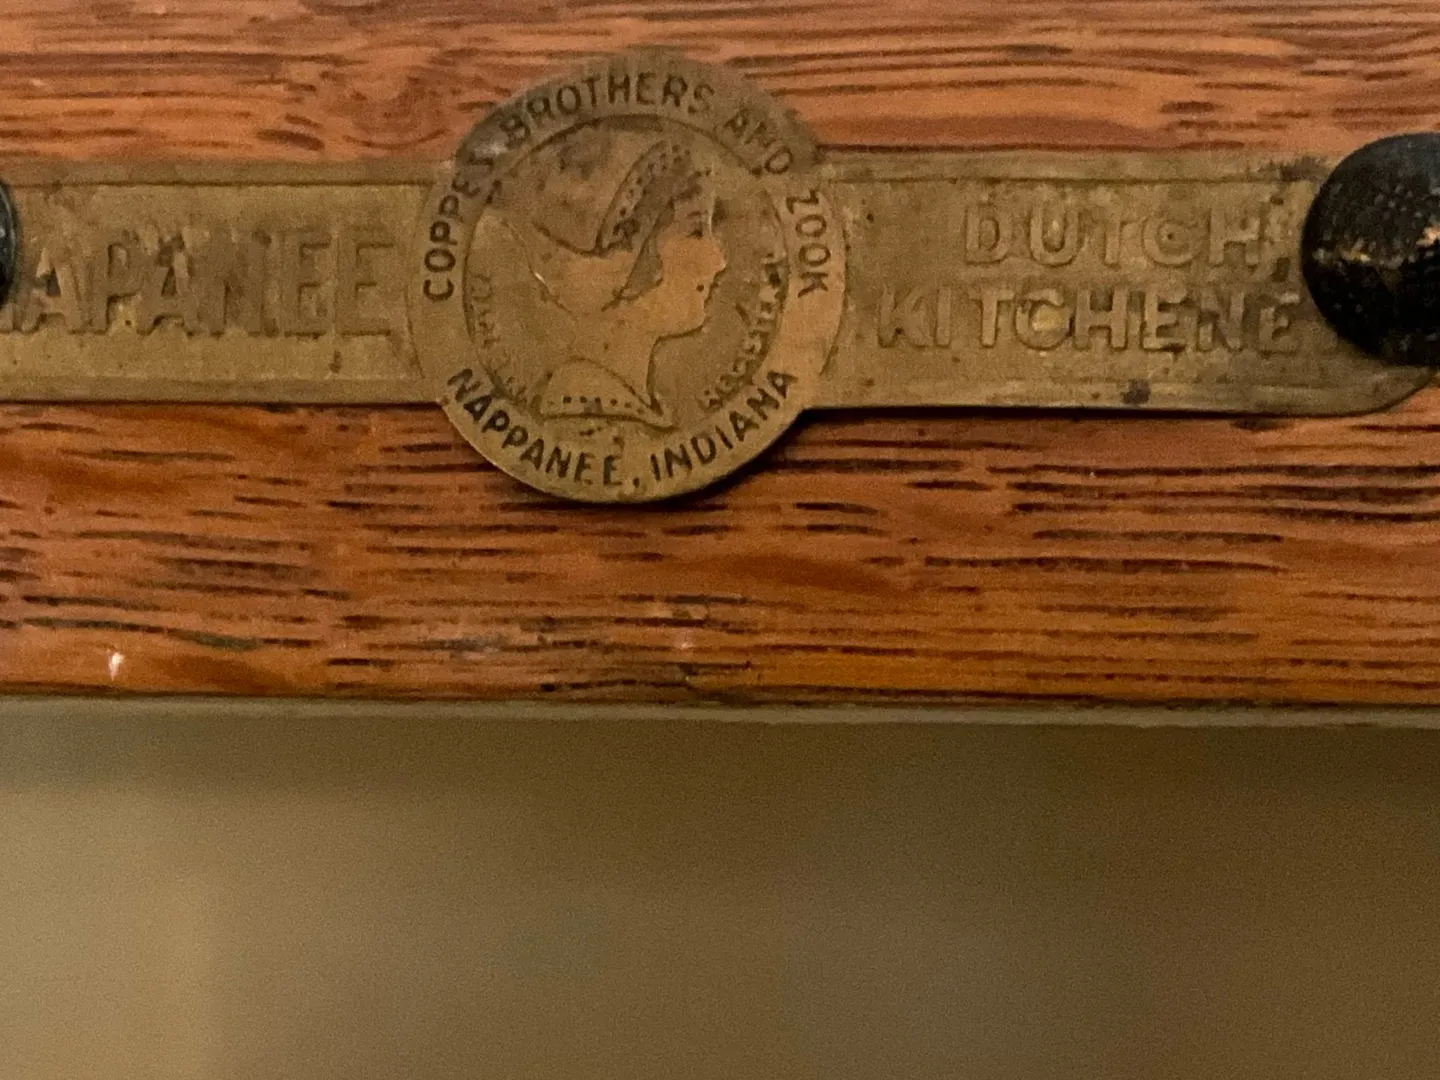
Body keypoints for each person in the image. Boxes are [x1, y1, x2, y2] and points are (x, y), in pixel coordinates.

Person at [501, 126, 728, 429]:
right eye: (695, 231)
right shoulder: (588, 423)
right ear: (626, 266)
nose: (719, 261)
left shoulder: (637, 411)